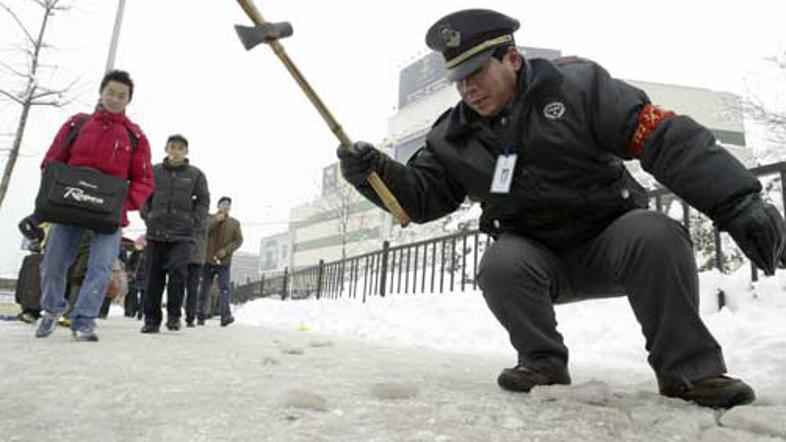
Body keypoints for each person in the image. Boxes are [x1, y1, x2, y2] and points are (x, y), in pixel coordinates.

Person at [336, 9, 786, 409]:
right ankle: (542, 363)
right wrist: (371, 172)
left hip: (614, 241)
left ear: (511, 58)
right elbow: (420, 197)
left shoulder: (579, 87)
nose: (468, 88)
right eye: (459, 78)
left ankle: (691, 371)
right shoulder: (451, 137)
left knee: (656, 233)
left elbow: (662, 137)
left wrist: (738, 200)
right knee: (499, 263)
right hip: (537, 260)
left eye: (476, 72)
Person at [35, 70, 154, 342]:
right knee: (53, 262)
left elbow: (145, 180)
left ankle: (84, 320)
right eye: (111, 92)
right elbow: (52, 161)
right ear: (101, 92)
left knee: (101, 266)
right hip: (69, 206)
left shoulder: (135, 136)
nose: (115, 98)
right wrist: (54, 195)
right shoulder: (77, 124)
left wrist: (121, 204)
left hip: (107, 214)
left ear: (128, 100)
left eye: (121, 95)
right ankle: (52, 309)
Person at [140, 134, 209, 333]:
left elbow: (203, 201)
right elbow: (144, 194)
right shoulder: (154, 171)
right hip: (156, 232)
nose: (176, 151)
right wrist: (148, 215)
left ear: (186, 151)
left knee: (178, 274)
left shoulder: (196, 175)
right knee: (154, 277)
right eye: (172, 147)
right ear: (166, 149)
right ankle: (151, 320)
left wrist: (195, 221)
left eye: (180, 148)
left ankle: (174, 315)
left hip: (183, 234)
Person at [197, 196, 243, 327]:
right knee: (205, 289)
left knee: (225, 289)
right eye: (223, 204)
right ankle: (201, 315)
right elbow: (202, 231)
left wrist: (226, 250)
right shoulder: (209, 218)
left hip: (224, 262)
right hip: (208, 260)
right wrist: (215, 221)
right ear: (218, 206)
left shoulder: (234, 223)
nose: (226, 206)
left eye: (228, 204)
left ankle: (225, 316)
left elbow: (239, 240)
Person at [184, 211, 209, 327]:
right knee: (186, 288)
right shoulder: (205, 218)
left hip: (194, 257)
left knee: (191, 289)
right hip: (185, 256)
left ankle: (189, 316)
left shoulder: (205, 219)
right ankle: (186, 316)